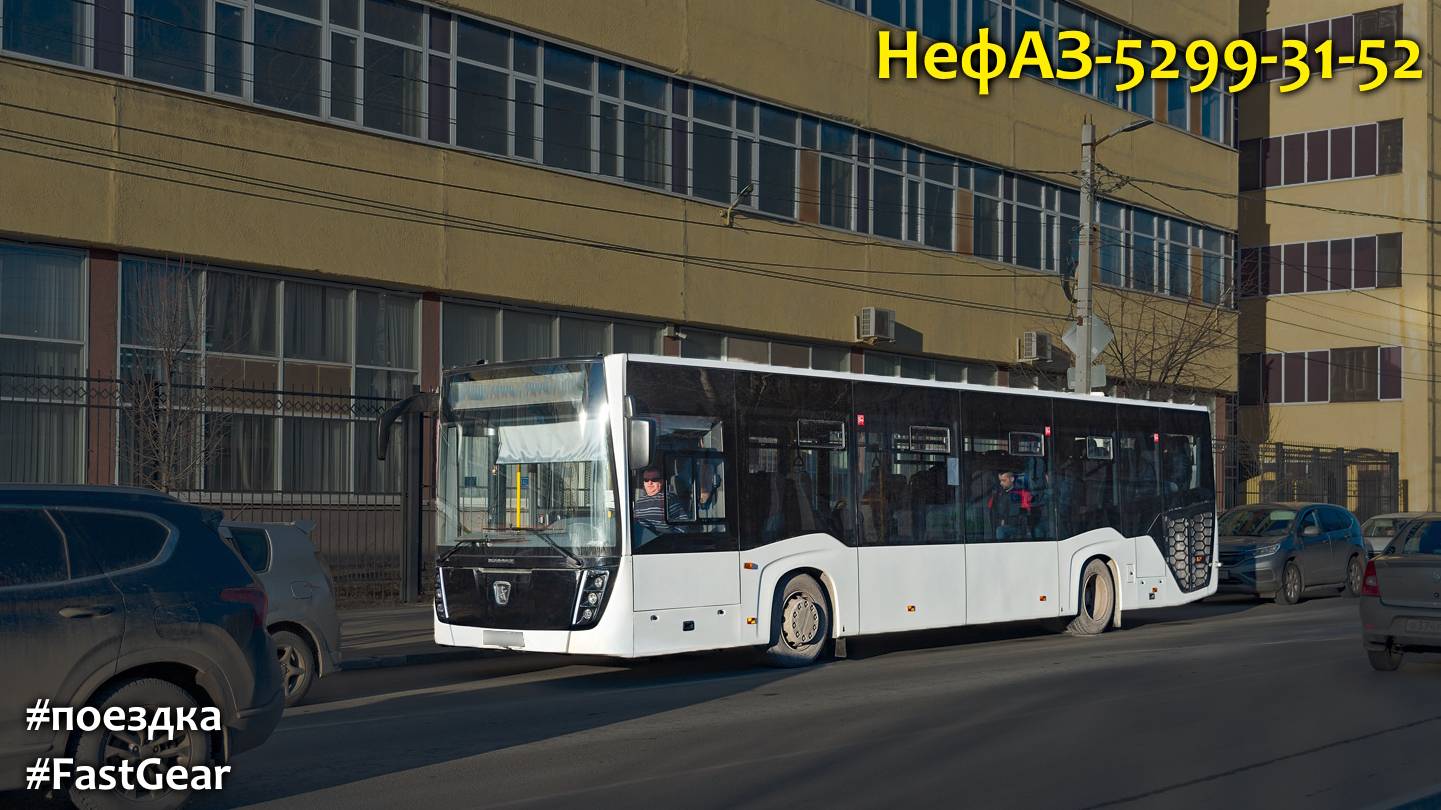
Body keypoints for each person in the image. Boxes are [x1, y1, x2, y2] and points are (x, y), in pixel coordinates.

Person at [632, 465, 689, 533]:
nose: (650, 483)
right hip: (641, 538)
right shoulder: (638, 502)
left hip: (663, 538)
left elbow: (683, 523)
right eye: (646, 480)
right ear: (644, 483)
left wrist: (671, 538)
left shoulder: (669, 498)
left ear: (661, 482)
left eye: (654, 480)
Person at [987, 471, 1033, 540]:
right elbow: (992, 512)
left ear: (1012, 479)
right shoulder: (997, 495)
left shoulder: (1022, 492)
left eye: (1004, 480)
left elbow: (1026, 513)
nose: (1001, 483)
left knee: (1000, 531)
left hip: (1018, 528)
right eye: (1000, 481)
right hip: (1003, 527)